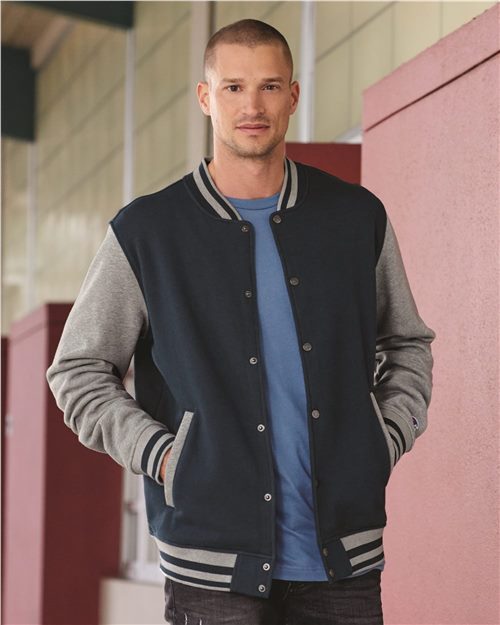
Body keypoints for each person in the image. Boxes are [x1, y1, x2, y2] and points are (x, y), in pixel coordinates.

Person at [46, 18, 436, 625]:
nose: (252, 105)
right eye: (232, 87)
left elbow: (407, 341)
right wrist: (163, 456)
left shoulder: (356, 219)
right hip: (210, 563)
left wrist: (384, 439)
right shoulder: (148, 232)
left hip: (343, 563)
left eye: (270, 86)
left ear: (293, 96)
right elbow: (77, 371)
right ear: (205, 97)